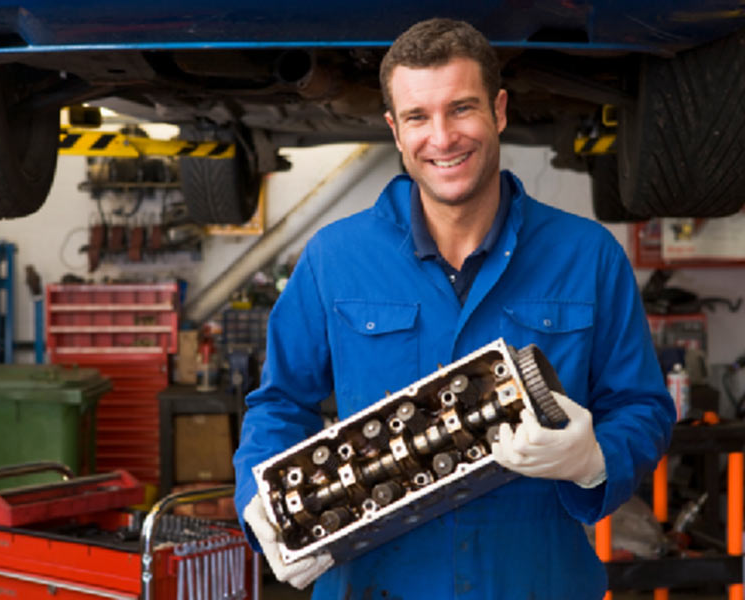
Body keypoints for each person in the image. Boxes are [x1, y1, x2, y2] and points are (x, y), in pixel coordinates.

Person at [233, 17, 674, 600]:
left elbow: (642, 405)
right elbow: (281, 402)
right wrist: (257, 498)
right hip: (377, 583)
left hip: (533, 581)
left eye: (461, 108)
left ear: (500, 110)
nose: (441, 138)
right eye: (418, 117)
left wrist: (595, 459)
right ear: (395, 129)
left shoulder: (587, 255)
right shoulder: (334, 258)